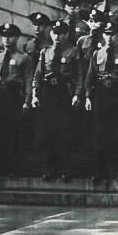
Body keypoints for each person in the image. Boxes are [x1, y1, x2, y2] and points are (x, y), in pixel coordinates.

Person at [84, 22, 118, 183]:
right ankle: (99, 172)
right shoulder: (97, 54)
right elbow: (90, 76)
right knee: (99, 135)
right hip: (101, 94)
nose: (110, 37)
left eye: (113, 34)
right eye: (107, 34)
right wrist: (87, 96)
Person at [31, 19, 82, 180]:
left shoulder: (73, 51)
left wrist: (77, 94)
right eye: (54, 33)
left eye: (60, 33)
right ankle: (48, 169)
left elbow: (79, 75)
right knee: (47, 131)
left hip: (64, 92)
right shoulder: (45, 52)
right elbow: (38, 75)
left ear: (66, 34)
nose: (57, 36)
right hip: (48, 93)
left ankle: (64, 169)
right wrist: (34, 94)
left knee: (64, 131)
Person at [0, 23, 33, 177]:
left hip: (13, 96)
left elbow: (28, 80)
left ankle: (13, 168)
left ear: (16, 38)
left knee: (14, 132)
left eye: (10, 36)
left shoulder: (24, 58)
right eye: (4, 36)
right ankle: (0, 168)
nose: (7, 39)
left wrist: (27, 100)